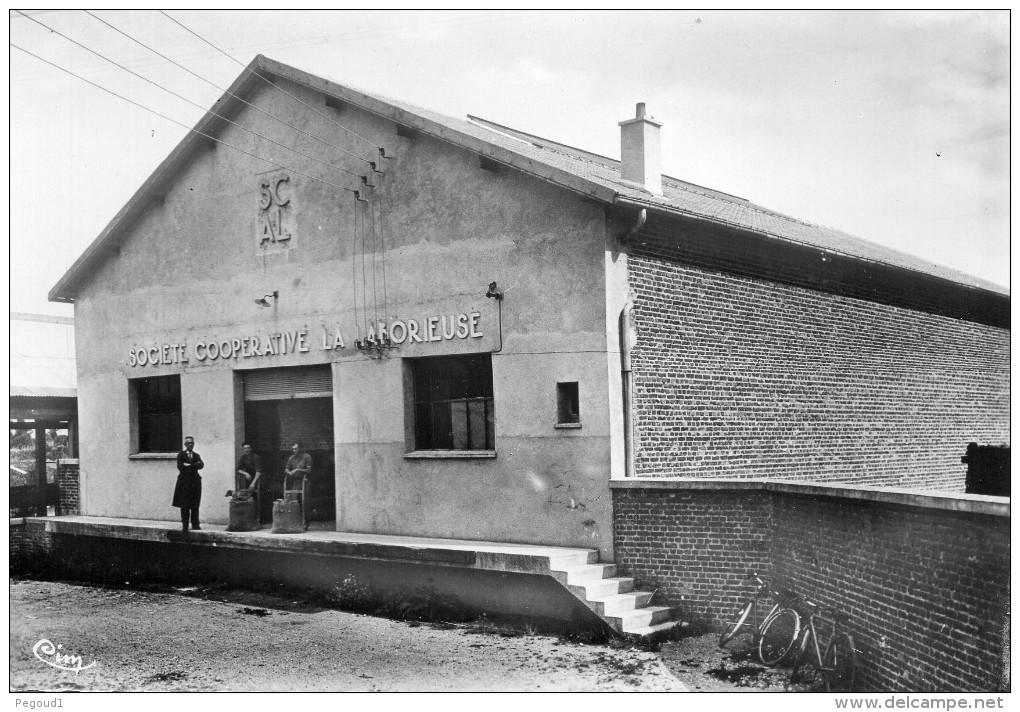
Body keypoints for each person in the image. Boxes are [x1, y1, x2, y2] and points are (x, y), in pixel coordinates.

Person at [172, 435, 204, 531]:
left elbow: (201, 465)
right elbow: (181, 467)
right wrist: (194, 465)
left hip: (195, 483)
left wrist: (189, 465)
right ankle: (185, 525)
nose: (191, 445)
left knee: (195, 504)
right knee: (184, 505)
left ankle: (195, 525)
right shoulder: (181, 455)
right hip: (184, 483)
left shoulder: (196, 455)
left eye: (192, 443)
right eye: (189, 443)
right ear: (185, 444)